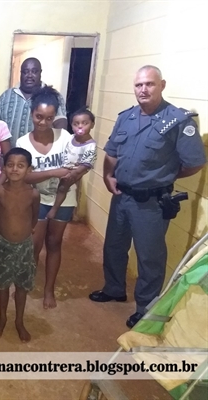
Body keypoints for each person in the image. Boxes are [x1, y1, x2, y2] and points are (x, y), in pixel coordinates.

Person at [89, 65, 206, 328]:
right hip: (122, 197)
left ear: (162, 85)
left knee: (149, 257)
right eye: (139, 85)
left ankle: (145, 307)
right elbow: (112, 151)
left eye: (149, 84)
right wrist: (108, 176)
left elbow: (195, 162)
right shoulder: (126, 117)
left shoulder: (177, 121)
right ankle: (114, 288)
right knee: (114, 247)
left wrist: (164, 177)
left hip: (151, 203)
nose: (143, 89)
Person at [14, 86, 79, 309]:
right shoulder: (23, 142)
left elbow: (76, 166)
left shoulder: (66, 138)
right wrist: (53, 172)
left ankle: (49, 289)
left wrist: (71, 174)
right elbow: (24, 176)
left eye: (49, 118)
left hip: (64, 199)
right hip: (36, 199)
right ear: (32, 113)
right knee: (34, 244)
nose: (43, 122)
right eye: (39, 117)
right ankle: (29, 281)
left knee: (54, 243)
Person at [0, 148, 40, 342]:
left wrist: (26, 231)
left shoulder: (33, 194)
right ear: (4, 168)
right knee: (2, 286)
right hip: (3, 245)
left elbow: (34, 217)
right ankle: (2, 318)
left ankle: (19, 321)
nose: (15, 169)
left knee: (21, 287)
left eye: (20, 166)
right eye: (10, 165)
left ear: (29, 169)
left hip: (25, 246)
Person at [0, 57, 68, 148]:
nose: (29, 75)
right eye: (25, 72)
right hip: (10, 157)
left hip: (41, 155)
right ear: (20, 74)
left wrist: (54, 149)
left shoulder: (52, 96)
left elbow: (61, 124)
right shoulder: (6, 96)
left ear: (40, 73)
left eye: (34, 71)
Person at [46, 108, 97, 220]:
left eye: (85, 123)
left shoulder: (90, 145)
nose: (80, 127)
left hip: (75, 170)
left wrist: (73, 174)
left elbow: (85, 165)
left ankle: (54, 210)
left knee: (63, 187)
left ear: (92, 124)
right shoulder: (70, 138)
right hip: (63, 167)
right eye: (76, 124)